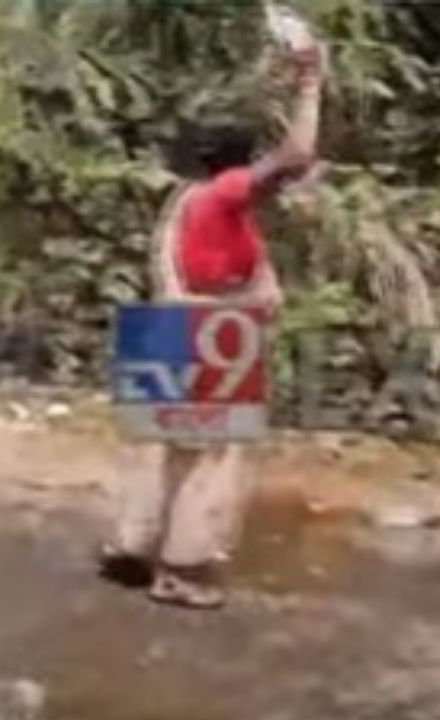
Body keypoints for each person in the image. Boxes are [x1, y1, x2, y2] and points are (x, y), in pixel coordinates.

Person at [100, 44, 325, 609]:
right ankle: (180, 570)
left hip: (165, 326)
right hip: (207, 334)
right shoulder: (225, 195)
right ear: (242, 166)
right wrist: (310, 83)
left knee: (160, 447)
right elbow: (297, 155)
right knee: (212, 455)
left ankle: (134, 547)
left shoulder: (189, 203)